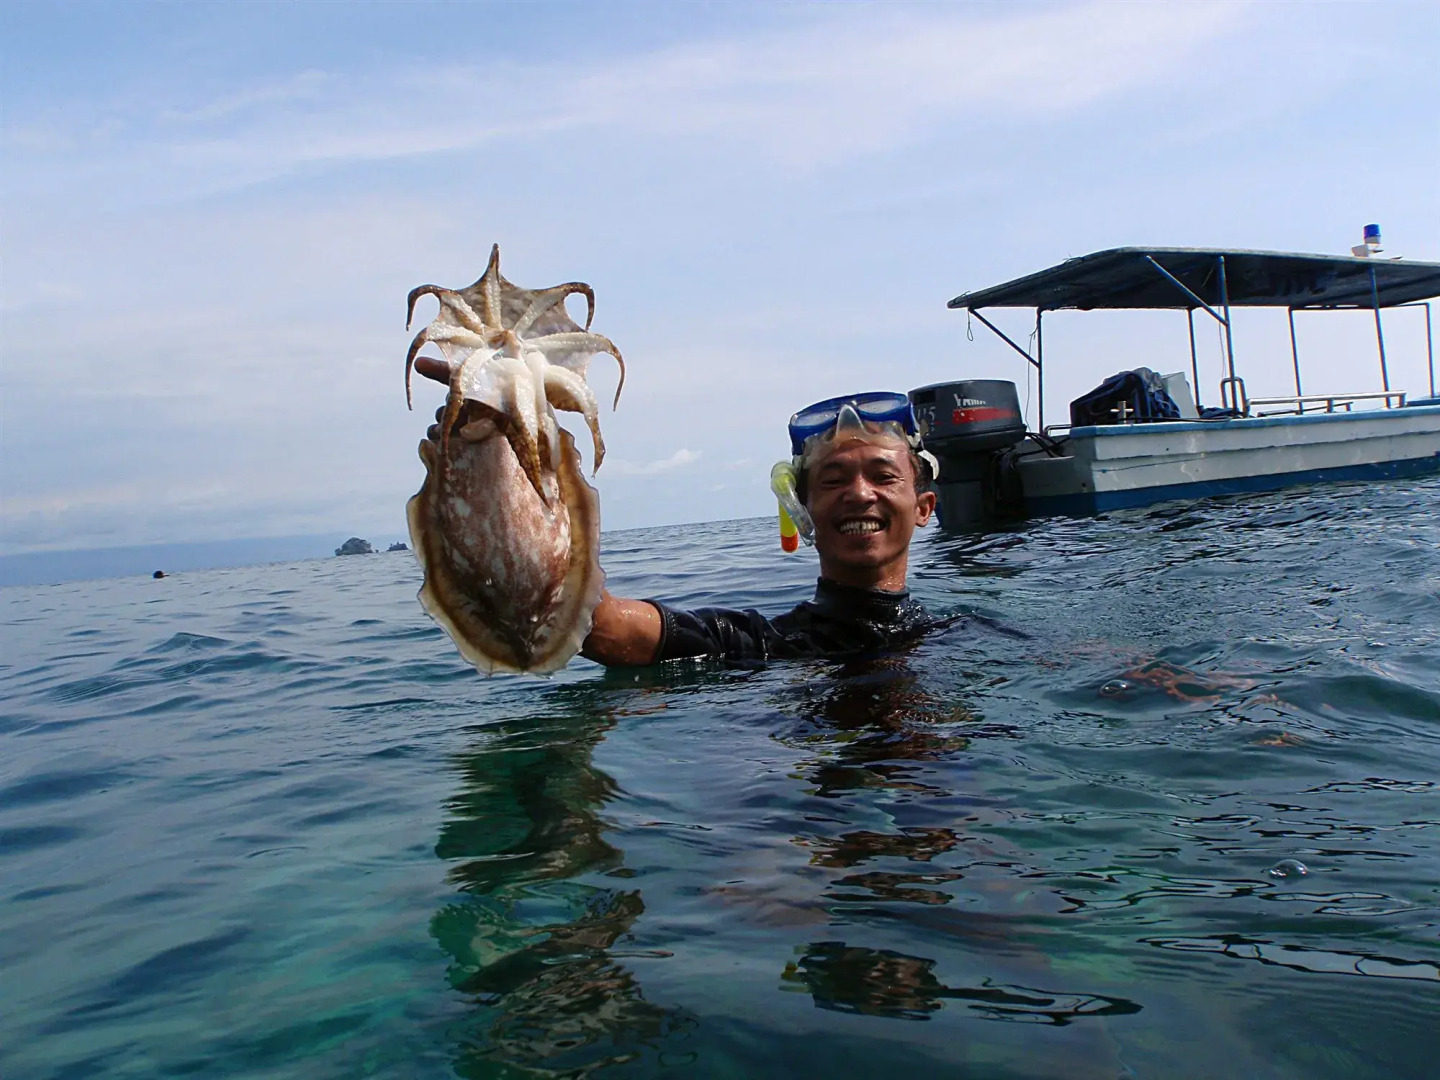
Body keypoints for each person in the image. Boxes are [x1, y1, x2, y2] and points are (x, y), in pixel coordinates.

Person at [415, 358, 938, 666]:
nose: (859, 493)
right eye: (834, 480)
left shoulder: (969, 638)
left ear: (923, 507)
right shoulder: (764, 645)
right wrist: (491, 464)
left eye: (883, 475)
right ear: (802, 511)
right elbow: (598, 625)